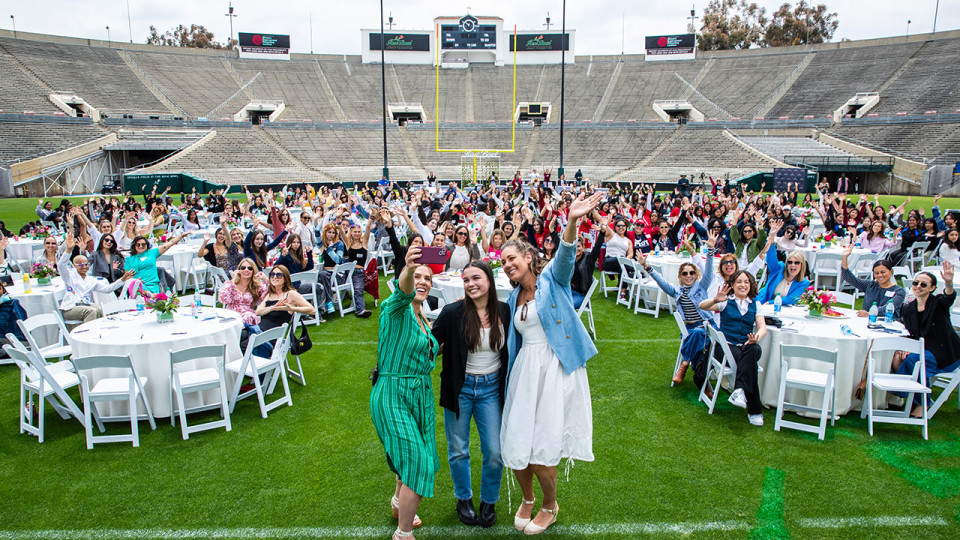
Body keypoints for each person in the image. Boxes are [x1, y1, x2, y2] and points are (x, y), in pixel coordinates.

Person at [499, 191, 602, 536]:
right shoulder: (513, 296)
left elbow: (566, 257)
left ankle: (549, 505)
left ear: (528, 257)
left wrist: (572, 220)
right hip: (524, 372)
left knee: (543, 447)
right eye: (503, 262)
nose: (508, 265)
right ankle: (527, 499)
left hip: (555, 370)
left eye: (512, 258)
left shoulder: (551, 281)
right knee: (516, 440)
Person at [432, 261, 510, 528]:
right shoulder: (452, 312)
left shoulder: (504, 310)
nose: (470, 284)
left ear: (489, 280)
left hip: (491, 389)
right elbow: (432, 344)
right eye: (466, 280)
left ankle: (489, 500)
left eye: (476, 278)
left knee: (495, 451)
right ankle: (463, 498)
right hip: (460, 389)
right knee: (458, 449)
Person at [370, 246, 440, 540]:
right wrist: (410, 270)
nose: (423, 282)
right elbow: (403, 292)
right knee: (417, 462)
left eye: (428, 278)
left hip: (419, 394)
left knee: (414, 454)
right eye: (418, 276)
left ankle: (400, 501)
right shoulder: (395, 309)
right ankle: (403, 534)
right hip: (393, 393)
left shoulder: (425, 317)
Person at [641, 230, 718, 385]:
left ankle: (685, 364)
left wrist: (710, 250)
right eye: (685, 273)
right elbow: (662, 282)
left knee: (698, 334)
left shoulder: (702, 287)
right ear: (680, 276)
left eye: (691, 273)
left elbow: (708, 271)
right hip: (689, 329)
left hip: (707, 326)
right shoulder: (677, 291)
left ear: (696, 275)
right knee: (696, 336)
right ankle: (702, 382)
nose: (688, 275)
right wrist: (646, 267)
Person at [699, 270, 768, 426]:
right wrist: (714, 300)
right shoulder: (725, 301)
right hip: (725, 347)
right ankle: (754, 410)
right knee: (750, 365)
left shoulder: (756, 304)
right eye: (739, 282)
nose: (743, 285)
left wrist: (756, 338)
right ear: (732, 285)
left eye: (746, 282)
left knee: (754, 349)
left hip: (745, 346)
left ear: (751, 285)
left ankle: (739, 391)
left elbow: (762, 326)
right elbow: (701, 306)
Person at [893, 263, 960, 417]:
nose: (918, 286)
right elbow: (911, 333)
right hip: (924, 348)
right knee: (898, 356)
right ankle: (909, 396)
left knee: (914, 361)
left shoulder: (938, 303)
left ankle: (921, 402)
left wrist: (948, 283)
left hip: (946, 352)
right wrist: (905, 347)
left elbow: (949, 297)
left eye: (923, 284)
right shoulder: (909, 309)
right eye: (916, 283)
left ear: (932, 288)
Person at [57, 237, 133, 322]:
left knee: (102, 310)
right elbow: (61, 265)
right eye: (81, 265)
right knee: (92, 312)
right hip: (70, 307)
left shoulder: (91, 280)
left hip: (85, 304)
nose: (84, 267)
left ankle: (101, 330)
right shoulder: (69, 276)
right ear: (74, 265)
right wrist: (68, 250)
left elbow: (107, 289)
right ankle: (88, 333)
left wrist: (122, 279)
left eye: (86, 264)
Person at [840, 243, 905, 319]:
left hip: (888, 323)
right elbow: (849, 278)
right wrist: (844, 257)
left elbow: (888, 308)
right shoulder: (870, 285)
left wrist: (869, 313)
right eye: (877, 273)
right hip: (867, 321)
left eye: (883, 272)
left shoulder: (899, 291)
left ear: (891, 272)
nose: (880, 275)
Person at [756, 221, 810, 305]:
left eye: (796, 263)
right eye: (790, 262)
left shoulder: (804, 283)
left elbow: (791, 299)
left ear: (802, 265)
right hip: (762, 302)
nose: (793, 265)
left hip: (780, 309)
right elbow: (771, 258)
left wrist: (771, 303)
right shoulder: (779, 269)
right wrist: (772, 237)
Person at [254, 265, 316, 332]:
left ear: (285, 278)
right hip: (259, 330)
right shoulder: (270, 294)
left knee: (244, 339)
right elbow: (258, 312)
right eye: (272, 274)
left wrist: (292, 309)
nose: (274, 277)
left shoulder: (291, 294)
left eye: (279, 275)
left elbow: (312, 310)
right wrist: (272, 308)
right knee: (242, 334)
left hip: (272, 334)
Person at [340, 220, 374, 318]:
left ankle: (360, 310)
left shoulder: (364, 243)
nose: (357, 234)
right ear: (351, 232)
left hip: (359, 272)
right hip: (348, 272)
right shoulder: (348, 244)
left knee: (358, 290)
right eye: (355, 232)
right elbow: (342, 233)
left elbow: (367, 230)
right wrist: (339, 221)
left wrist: (370, 219)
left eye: (359, 232)